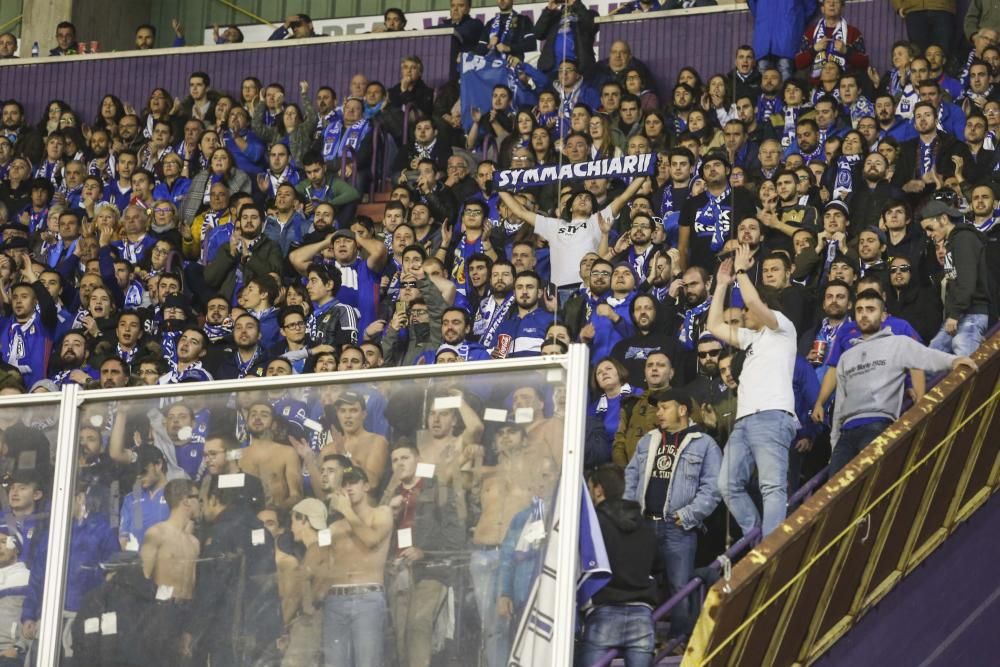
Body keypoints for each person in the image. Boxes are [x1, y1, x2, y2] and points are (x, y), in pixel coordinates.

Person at [830, 289, 977, 472]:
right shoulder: (846, 357)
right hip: (846, 434)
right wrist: (834, 442)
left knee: (872, 489)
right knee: (836, 496)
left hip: (878, 426)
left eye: (870, 309)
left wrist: (953, 360)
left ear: (883, 316)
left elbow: (927, 356)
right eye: (859, 310)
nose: (864, 314)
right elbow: (840, 404)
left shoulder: (898, 343)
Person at [707, 245, 799, 538]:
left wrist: (742, 272)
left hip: (772, 416)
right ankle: (757, 537)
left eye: (747, 311)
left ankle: (771, 549)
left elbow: (754, 302)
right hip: (744, 421)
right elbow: (713, 325)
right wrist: (722, 285)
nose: (745, 314)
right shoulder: (751, 340)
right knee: (727, 484)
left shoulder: (783, 327)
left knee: (772, 486)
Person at [623, 389, 721, 641]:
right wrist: (630, 513)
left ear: (682, 409)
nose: (658, 413)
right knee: (641, 585)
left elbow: (713, 487)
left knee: (680, 586)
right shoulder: (649, 439)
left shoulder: (705, 443)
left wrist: (689, 514)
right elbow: (631, 475)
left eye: (664, 407)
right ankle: (643, 640)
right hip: (645, 524)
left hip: (679, 526)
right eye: (657, 408)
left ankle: (680, 641)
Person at [183, 475, 282, 666]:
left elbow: (211, 587)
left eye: (203, 500)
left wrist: (193, 628)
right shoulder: (260, 529)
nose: (202, 506)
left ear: (214, 499)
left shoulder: (221, 532)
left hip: (230, 629)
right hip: (263, 627)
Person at [576, 464, 659, 667]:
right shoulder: (646, 527)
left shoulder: (594, 527)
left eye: (589, 488)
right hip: (642, 615)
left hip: (603, 613)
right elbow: (658, 568)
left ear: (598, 489)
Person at [324, 465, 393, 667]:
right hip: (334, 599)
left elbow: (371, 540)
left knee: (368, 662)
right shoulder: (335, 527)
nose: (349, 488)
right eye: (344, 484)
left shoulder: (381, 513)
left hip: (367, 597)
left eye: (354, 482)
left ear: (366, 486)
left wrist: (346, 510)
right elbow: (326, 563)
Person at [919, 200, 994, 357]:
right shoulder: (951, 242)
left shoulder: (964, 238)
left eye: (929, 228)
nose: (928, 234)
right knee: (932, 354)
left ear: (944, 219)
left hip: (973, 313)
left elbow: (967, 281)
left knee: (962, 349)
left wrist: (954, 314)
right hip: (959, 314)